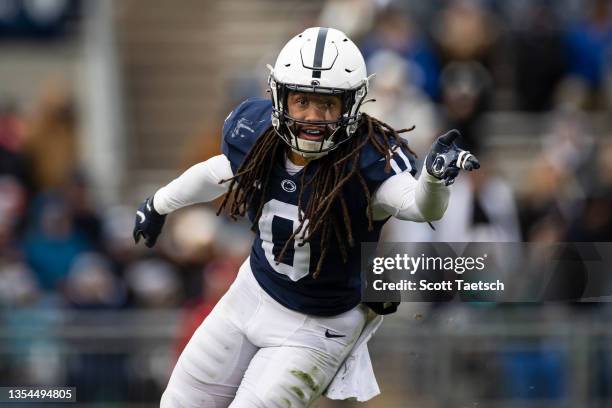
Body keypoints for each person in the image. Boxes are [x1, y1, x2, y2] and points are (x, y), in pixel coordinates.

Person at [133, 27, 479, 408]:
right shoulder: (258, 133)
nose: (313, 117)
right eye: (302, 101)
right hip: (252, 292)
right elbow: (217, 172)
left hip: (317, 325)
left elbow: (418, 206)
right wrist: (159, 204)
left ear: (350, 105)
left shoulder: (366, 159)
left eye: (327, 105)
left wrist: (432, 179)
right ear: (280, 97)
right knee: (178, 402)